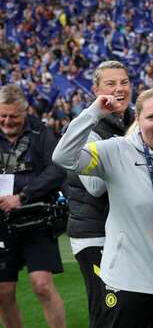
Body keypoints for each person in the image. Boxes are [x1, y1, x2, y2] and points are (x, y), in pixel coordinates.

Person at [52, 88, 153, 328]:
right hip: (127, 281)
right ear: (138, 119)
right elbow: (63, 156)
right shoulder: (116, 150)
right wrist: (93, 113)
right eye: (151, 117)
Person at [64, 61, 134, 328]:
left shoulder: (133, 119)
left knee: (132, 308)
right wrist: (131, 140)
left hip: (124, 230)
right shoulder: (86, 128)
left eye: (124, 82)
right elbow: (95, 187)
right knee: (108, 309)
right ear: (95, 90)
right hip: (94, 234)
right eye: (111, 83)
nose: (119, 89)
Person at [0, 85, 66, 328]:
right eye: (3, 115)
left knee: (42, 285)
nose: (7, 121)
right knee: (3, 291)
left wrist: (23, 196)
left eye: (13, 116)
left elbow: (58, 169)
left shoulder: (41, 132)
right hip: (1, 224)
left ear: (24, 112)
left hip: (36, 218)